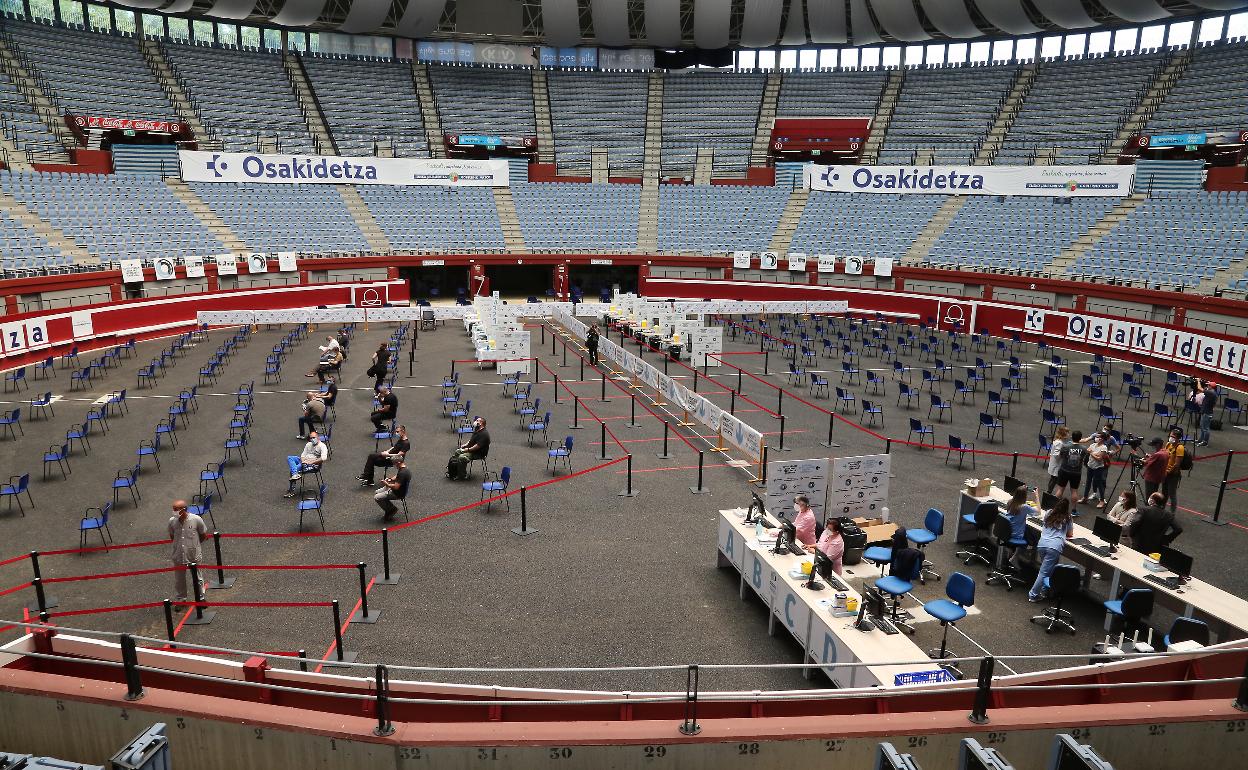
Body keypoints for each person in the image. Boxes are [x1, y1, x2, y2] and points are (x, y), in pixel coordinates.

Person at [1028, 498, 1074, 602]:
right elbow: (1070, 534)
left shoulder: (1049, 512)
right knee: (1044, 572)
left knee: (1049, 568)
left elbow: (1045, 523)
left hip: (1042, 544)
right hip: (1054, 547)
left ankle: (1045, 590)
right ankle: (1033, 595)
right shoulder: (1068, 517)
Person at [168, 499, 208, 602]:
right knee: (179, 580)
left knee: (198, 578)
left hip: (193, 555)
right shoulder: (172, 521)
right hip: (178, 555)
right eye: (173, 509)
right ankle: (181, 599)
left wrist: (194, 545)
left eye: (176, 509)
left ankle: (201, 597)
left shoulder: (196, 519)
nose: (174, 512)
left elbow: (203, 535)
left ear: (184, 509)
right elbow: (172, 536)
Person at [284, 431, 328, 498]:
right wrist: (303, 461)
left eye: (314, 437)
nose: (312, 439)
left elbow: (324, 458)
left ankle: (292, 490)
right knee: (290, 458)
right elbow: (303, 455)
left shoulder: (322, 446)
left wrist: (311, 462)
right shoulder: (308, 444)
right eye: (311, 438)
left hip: (314, 465)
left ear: (318, 438)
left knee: (293, 470)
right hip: (304, 461)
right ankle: (295, 474)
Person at [1053, 430, 1086, 507]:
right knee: (1074, 491)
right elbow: (1084, 458)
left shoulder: (1065, 446)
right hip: (1076, 472)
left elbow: (1061, 455)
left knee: (1060, 490)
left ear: (1071, 437)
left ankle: (1054, 506)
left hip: (1064, 470)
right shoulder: (1084, 449)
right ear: (1080, 438)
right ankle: (1074, 510)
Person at [1080, 432, 1111, 507]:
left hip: (1098, 468)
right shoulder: (1093, 445)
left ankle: (1102, 500)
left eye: (1098, 437)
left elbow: (1099, 458)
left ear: (1102, 439)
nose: (1096, 438)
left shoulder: (1104, 447)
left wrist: (1092, 453)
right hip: (1090, 466)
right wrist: (1094, 454)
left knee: (1099, 483)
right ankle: (1085, 497)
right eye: (1096, 437)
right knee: (1088, 482)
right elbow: (1089, 451)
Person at [1162, 426, 1186, 515]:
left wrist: (1168, 472)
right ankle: (1161, 510)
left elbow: (1177, 464)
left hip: (1173, 475)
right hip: (1165, 472)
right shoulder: (1168, 444)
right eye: (1171, 435)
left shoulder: (1180, 448)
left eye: (1173, 437)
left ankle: (1172, 514)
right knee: (1164, 493)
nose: (1171, 438)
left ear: (1178, 438)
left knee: (1172, 494)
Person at [1046, 426, 1071, 493]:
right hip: (1057, 464)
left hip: (1054, 463)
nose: (1069, 434)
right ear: (1064, 433)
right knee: (1054, 479)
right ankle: (1049, 492)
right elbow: (1057, 455)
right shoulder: (1060, 443)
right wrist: (1064, 456)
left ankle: (1049, 492)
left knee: (1053, 479)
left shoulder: (1057, 441)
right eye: (1067, 433)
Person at [1196, 380, 1218, 447]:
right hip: (1206, 411)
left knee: (1205, 428)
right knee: (1202, 426)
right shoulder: (1212, 393)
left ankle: (1205, 442)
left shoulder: (1211, 393)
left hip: (1207, 412)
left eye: (1209, 385)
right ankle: (1201, 439)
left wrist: (1198, 381)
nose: (1207, 386)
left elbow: (1199, 388)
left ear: (1212, 387)